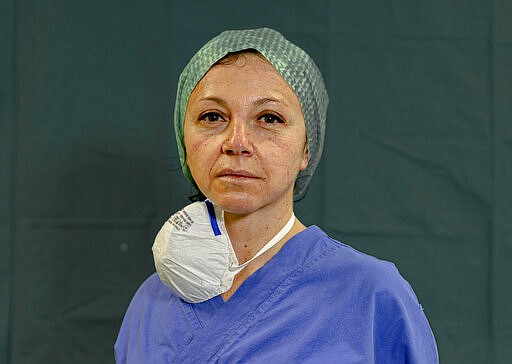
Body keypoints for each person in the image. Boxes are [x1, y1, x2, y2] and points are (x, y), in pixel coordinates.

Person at [115, 28, 438, 363]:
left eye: (269, 118)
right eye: (212, 117)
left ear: (306, 149)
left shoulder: (370, 296)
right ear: (185, 141)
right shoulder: (152, 303)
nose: (236, 142)